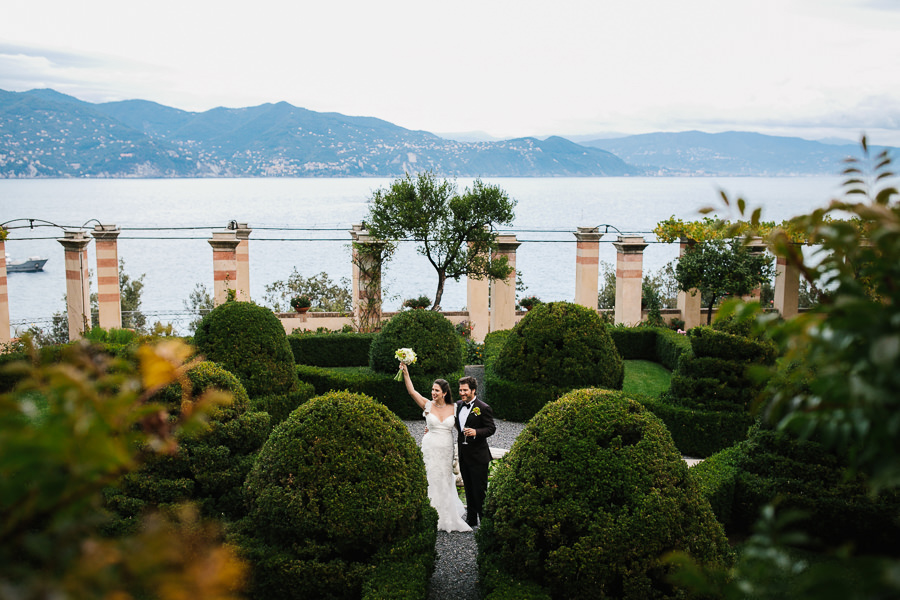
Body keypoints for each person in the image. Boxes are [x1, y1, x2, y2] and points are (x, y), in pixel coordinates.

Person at [399, 363, 471, 532]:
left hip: (446, 448)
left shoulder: (454, 408)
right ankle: (427, 513)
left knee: (444, 478)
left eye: (437, 390)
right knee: (429, 477)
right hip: (430, 446)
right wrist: (406, 373)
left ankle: (445, 515)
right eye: (432, 389)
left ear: (444, 393)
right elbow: (412, 392)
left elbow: (462, 429)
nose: (433, 392)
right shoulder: (428, 405)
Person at [456, 375, 495, 527]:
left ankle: (484, 523)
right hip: (464, 455)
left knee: (480, 491)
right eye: (460, 390)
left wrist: (476, 432)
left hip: (479, 457)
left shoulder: (483, 408)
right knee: (468, 488)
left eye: (465, 390)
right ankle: (471, 520)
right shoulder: (458, 405)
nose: (462, 393)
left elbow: (491, 428)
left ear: (473, 390)